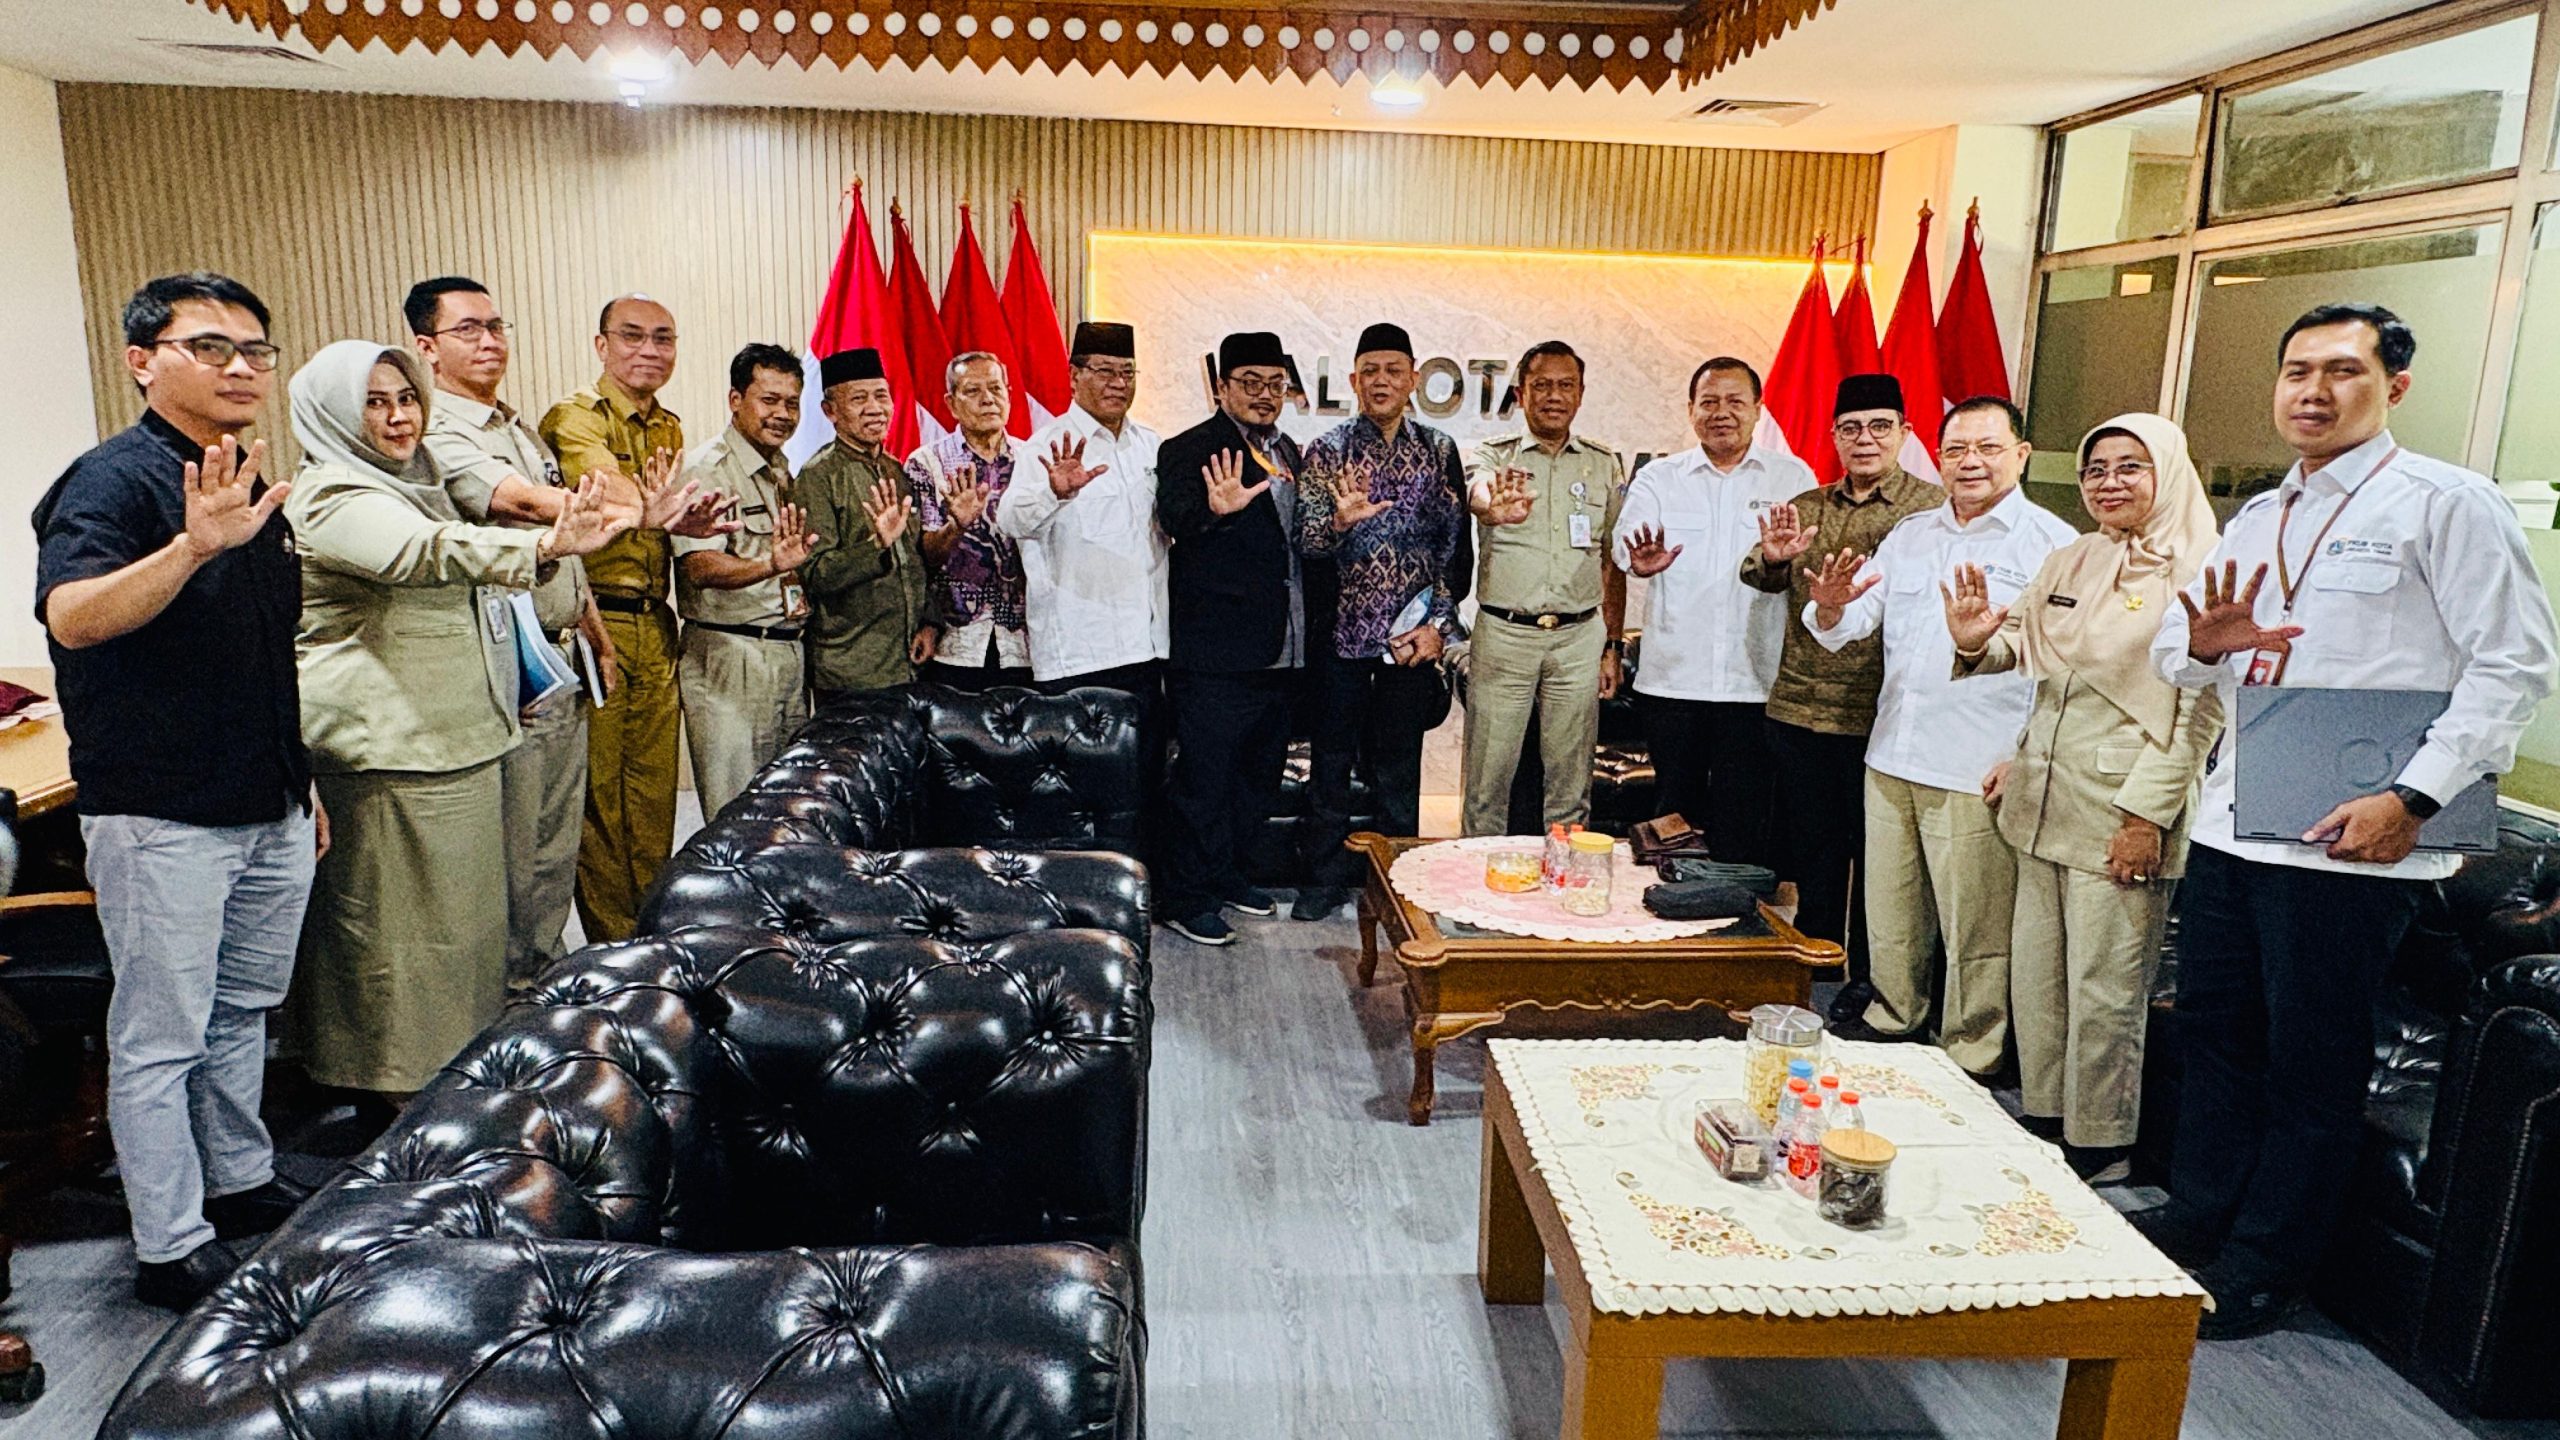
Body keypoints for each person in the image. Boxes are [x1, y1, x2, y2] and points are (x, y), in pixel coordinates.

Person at [2141, 303, 2557, 1339]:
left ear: (2394, 387)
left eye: (2342, 371)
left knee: (2310, 1063)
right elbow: (2174, 654)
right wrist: (2208, 647)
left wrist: (2413, 798)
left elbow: (2514, 666)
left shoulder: (2445, 503)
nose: (2313, 392)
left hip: (2355, 839)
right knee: (2216, 1035)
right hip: (2235, 821)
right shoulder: (2256, 516)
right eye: (2296, 371)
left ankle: (2264, 1265)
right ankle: (2197, 1216)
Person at [32, 273, 316, 1308]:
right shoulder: (110, 481)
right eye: (211, 347)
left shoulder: (243, 476)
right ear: (142, 361)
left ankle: (237, 1182)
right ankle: (168, 1242)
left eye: (256, 349)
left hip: (267, 798)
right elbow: (73, 617)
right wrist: (192, 547)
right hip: (163, 810)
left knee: (243, 1012)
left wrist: (302, 784)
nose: (241, 367)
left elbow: (265, 654)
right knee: (161, 1035)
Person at [284, 343, 628, 1112]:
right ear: (333, 413)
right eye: (374, 402)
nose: (397, 417)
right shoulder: (332, 491)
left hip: (458, 737)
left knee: (462, 938)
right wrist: (545, 543)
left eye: (406, 398)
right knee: (401, 945)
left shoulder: (416, 482)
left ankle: (455, 1076)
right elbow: (423, 554)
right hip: (391, 750)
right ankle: (399, 1096)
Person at [1941, 413, 2222, 1183]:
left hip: (2121, 809)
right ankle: (2044, 1115)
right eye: (2096, 469)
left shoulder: (2203, 570)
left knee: (2106, 987)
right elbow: (2019, 648)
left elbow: (2199, 713)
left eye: (2130, 467)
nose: (2109, 482)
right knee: (2038, 977)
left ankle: (2100, 1143)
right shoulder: (2072, 558)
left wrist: (2146, 818)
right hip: (2042, 797)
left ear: (2167, 472)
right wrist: (1973, 639)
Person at [1801, 393, 2076, 1079]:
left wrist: (2027, 755)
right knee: (1890, 911)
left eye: (1988, 448)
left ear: (2021, 455)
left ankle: (1973, 1050)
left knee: (1974, 924)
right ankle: (1894, 1018)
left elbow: (2067, 672)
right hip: (1894, 750)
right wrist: (1829, 608)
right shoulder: (1912, 535)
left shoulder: (2052, 546)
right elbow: (1853, 620)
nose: (1970, 462)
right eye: (1956, 450)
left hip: (1977, 763)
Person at [408, 275, 616, 988]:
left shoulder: (515, 426)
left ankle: (542, 974)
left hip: (561, 656)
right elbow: (523, 507)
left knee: (556, 843)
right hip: (507, 667)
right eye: (468, 329)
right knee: (515, 849)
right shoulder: (436, 430)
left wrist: (593, 629)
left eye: (497, 326)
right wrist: (640, 510)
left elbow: (566, 556)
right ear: (426, 347)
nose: (490, 341)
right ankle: (509, 995)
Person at [1743, 375, 1944, 1020]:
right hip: (1802, 707)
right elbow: (1757, 573)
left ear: (1905, 433)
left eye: (1881, 426)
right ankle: (1818, 967)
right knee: (1815, 852)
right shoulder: (1807, 504)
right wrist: (1777, 559)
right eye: (1852, 428)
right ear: (1833, 436)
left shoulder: (1931, 511)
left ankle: (1874, 978)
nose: (1865, 440)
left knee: (1883, 863)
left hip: (1883, 714)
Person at [539, 294, 730, 943]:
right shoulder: (574, 417)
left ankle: (655, 933)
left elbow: (662, 518)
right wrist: (655, 508)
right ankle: (614, 946)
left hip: (656, 620)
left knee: (652, 794)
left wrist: (683, 519)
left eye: (663, 338)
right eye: (632, 336)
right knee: (600, 798)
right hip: (597, 621)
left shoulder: (668, 426)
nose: (649, 350)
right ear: (602, 345)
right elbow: (610, 494)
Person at [1294, 322, 1465, 919]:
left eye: (1394, 371)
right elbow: (1307, 542)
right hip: (1341, 640)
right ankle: (1321, 882)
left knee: (1398, 774)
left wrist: (1439, 626)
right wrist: (1339, 522)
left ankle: (1397, 890)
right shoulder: (1328, 449)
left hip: (1410, 643)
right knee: (1330, 768)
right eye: (1370, 371)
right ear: (1353, 380)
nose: (1381, 381)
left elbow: (1454, 549)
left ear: (1413, 379)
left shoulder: (1439, 450)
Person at [1614, 357, 1811, 867]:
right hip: (1674, 683)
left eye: (1735, 401)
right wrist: (1638, 560)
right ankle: (1667, 909)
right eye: (1709, 402)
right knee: (1671, 823)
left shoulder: (1792, 477)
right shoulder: (1660, 477)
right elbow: (1624, 544)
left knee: (1744, 821)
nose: (1721, 413)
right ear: (1691, 410)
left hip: (1754, 683)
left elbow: (1806, 564)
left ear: (1757, 409)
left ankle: (1736, 913)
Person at [1154, 331, 1307, 946]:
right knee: (1204, 781)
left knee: (1257, 778)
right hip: (1215, 654)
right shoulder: (1188, 447)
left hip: (1282, 649)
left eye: (1275, 384)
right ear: (1221, 387)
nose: (1264, 395)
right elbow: (1174, 518)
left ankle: (1227, 876)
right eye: (1250, 382)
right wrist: (1213, 512)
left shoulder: (1288, 450)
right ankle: (1184, 897)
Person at [1461, 341, 1626, 836]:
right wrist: (1490, 507)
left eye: (1565, 385)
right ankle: (1477, 878)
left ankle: (1565, 877)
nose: (1554, 395)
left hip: (1578, 640)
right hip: (1505, 637)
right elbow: (1478, 491)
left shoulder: (1603, 463)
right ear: (1520, 393)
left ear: (1580, 393)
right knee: (1488, 781)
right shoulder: (1494, 454)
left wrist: (1611, 646)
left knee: (1571, 786)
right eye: (1542, 385)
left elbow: (1613, 560)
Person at [996, 321, 1170, 787]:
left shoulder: (1152, 446)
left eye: (1127, 373)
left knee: (1146, 789)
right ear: (1074, 375)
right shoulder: (1047, 445)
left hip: (1148, 649)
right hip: (1080, 654)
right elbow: (1011, 520)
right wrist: (1054, 492)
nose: (1118, 383)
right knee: (1084, 794)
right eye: (1105, 371)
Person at [674, 343, 817, 816]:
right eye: (768, 400)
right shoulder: (708, 468)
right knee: (736, 813)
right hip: (731, 657)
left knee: (785, 809)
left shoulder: (780, 470)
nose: (782, 414)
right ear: (735, 400)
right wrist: (769, 566)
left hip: (786, 653)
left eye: (791, 403)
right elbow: (699, 567)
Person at [797, 347, 934, 702]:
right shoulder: (818, 477)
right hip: (850, 669)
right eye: (859, 399)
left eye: (882, 396)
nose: (875, 408)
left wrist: (930, 622)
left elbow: (917, 559)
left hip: (908, 661)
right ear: (830, 411)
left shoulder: (896, 470)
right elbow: (816, 573)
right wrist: (876, 547)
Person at [907, 351, 1034, 690]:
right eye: (973, 391)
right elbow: (924, 556)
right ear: (951, 404)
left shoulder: (1033, 460)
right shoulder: (927, 463)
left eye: (995, 388)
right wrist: (957, 525)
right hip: (955, 644)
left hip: (1028, 643)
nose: (988, 399)